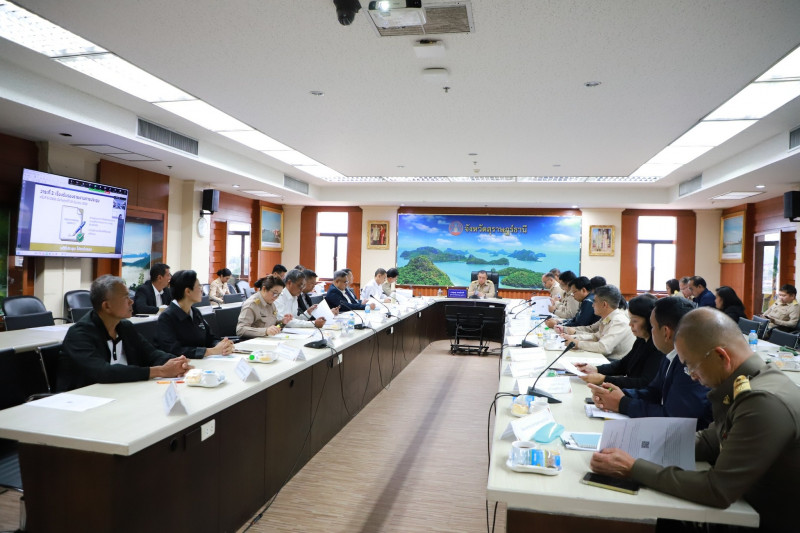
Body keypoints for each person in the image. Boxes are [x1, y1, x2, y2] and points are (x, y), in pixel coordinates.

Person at [590, 307, 800, 533]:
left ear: (721, 356)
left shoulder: (761, 402)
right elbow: (710, 441)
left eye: (690, 365)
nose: (691, 375)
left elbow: (717, 490)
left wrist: (633, 468)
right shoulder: (748, 381)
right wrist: (639, 444)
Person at [587, 296, 712, 429]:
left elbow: (673, 418)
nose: (650, 332)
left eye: (652, 327)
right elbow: (654, 392)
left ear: (666, 332)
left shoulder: (690, 365)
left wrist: (623, 404)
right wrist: (618, 394)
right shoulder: (670, 354)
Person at [57, 275, 191, 391]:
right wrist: (160, 371)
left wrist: (177, 362)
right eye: (125, 297)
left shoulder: (125, 327)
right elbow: (103, 372)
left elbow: (151, 354)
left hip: (122, 391)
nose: (131, 301)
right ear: (107, 306)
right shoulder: (80, 334)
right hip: (84, 399)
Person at [575, 294, 664, 388]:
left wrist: (604, 379)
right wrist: (595, 369)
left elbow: (644, 383)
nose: (630, 324)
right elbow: (623, 364)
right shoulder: (641, 339)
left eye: (634, 321)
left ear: (650, 321)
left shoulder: (658, 347)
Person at [156, 270, 234, 358]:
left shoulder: (195, 312)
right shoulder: (166, 317)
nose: (201, 290)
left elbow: (211, 338)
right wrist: (210, 351)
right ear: (188, 291)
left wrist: (222, 345)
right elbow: (174, 350)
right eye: (199, 286)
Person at [560, 285, 636, 359]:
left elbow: (604, 348)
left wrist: (577, 343)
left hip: (613, 362)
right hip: (605, 358)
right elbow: (596, 337)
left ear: (604, 304)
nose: (592, 305)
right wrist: (572, 338)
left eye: (595, 302)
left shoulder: (619, 321)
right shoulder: (608, 317)